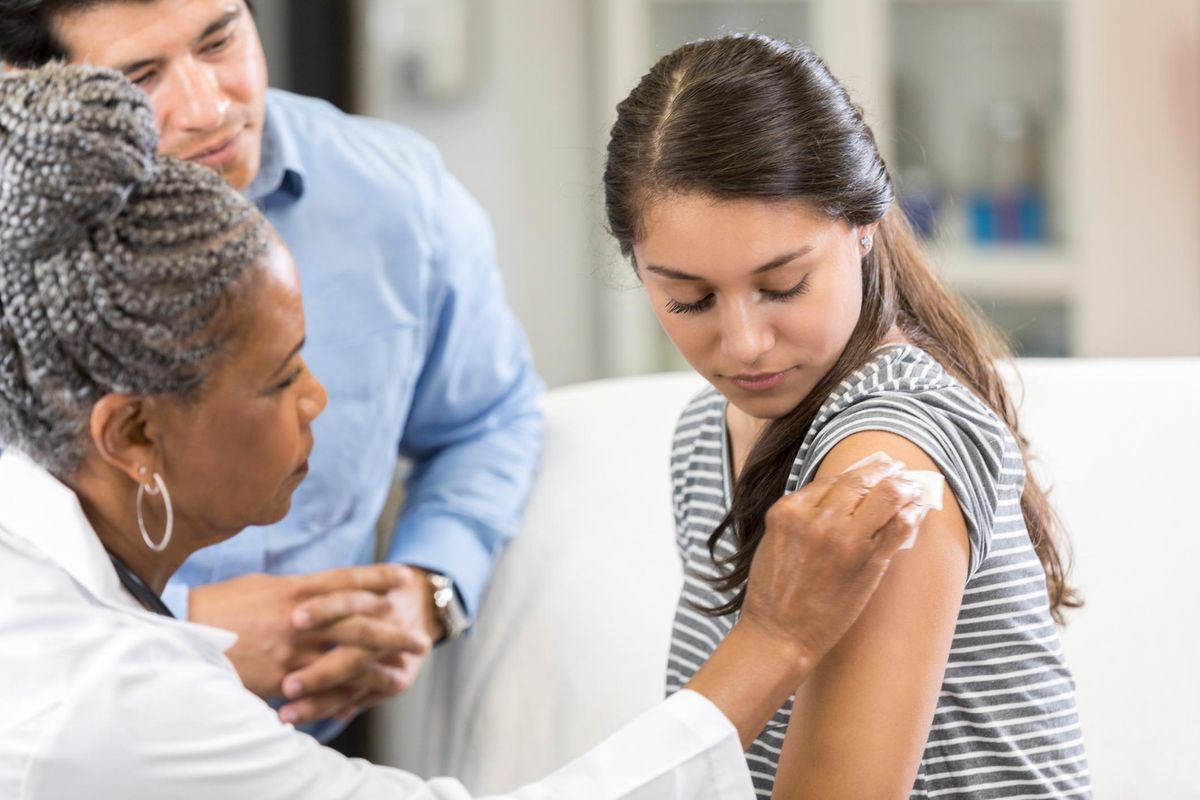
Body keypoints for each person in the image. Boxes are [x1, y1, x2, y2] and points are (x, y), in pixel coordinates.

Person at [0, 62, 932, 800]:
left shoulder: (887, 443)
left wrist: (430, 585)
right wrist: (770, 640)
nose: (321, 399)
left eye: (780, 285)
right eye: (281, 378)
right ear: (130, 437)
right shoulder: (106, 699)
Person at [0, 0, 545, 735]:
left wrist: (428, 590)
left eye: (219, 39)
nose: (207, 106)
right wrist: (170, 623)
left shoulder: (397, 195)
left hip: (323, 744)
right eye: (140, 74)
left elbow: (489, 419)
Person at [603, 35, 1091, 799]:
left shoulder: (887, 454)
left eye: (784, 284)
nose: (742, 344)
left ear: (864, 224)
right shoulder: (707, 430)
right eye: (689, 299)